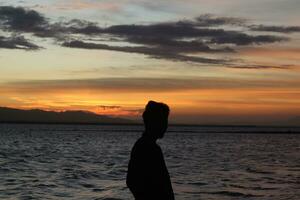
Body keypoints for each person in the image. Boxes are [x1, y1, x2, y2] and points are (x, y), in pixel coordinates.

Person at [126, 100, 175, 200]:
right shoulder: (147, 148)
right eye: (163, 121)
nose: (165, 125)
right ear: (153, 122)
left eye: (166, 121)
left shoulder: (149, 147)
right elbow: (132, 181)